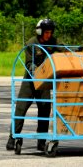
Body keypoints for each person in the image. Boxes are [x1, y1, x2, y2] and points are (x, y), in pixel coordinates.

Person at [6, 18, 68, 152]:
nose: (48, 35)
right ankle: (12, 137)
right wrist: (37, 72)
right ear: (40, 32)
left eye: (50, 32)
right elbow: (29, 64)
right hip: (30, 80)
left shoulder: (52, 41)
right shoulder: (31, 43)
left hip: (44, 81)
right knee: (21, 108)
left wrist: (71, 49)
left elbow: (60, 47)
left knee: (45, 108)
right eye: (46, 32)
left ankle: (41, 141)